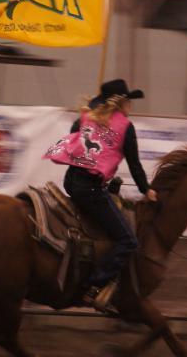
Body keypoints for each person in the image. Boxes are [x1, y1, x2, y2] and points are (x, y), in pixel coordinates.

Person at [45, 79, 158, 311]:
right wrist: (146, 190)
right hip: (91, 190)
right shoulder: (126, 127)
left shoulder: (84, 119)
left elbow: (72, 145)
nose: (130, 105)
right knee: (128, 240)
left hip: (72, 183)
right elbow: (134, 165)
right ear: (121, 103)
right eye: (128, 101)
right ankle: (94, 286)